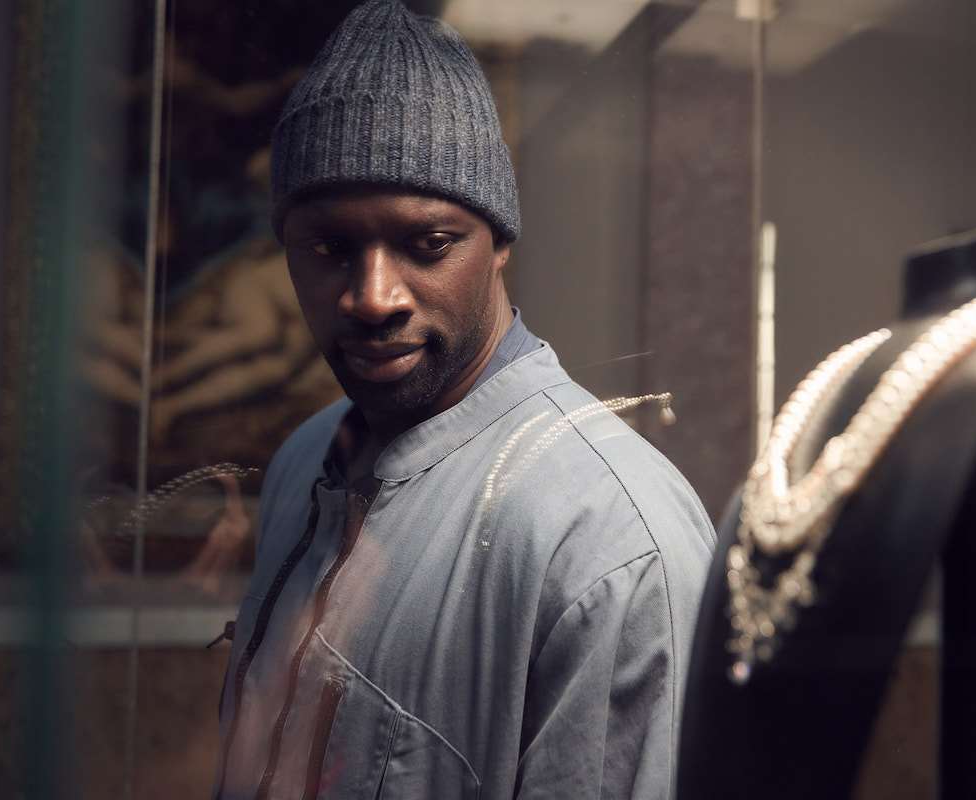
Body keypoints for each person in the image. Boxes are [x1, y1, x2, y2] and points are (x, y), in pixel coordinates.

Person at [212, 2, 716, 798]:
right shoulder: (304, 461)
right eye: (329, 247)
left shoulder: (610, 540)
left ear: (499, 241)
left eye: (428, 244)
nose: (373, 297)